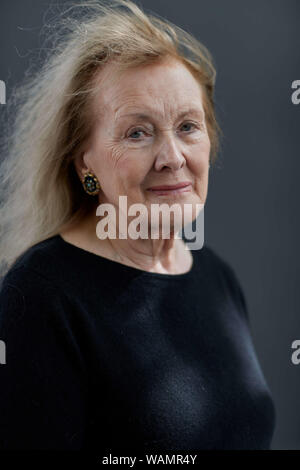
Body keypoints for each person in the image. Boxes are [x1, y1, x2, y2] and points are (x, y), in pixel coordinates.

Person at [0, 0, 276, 450]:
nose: (172, 158)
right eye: (137, 133)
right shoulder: (40, 296)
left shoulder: (217, 278)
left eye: (188, 126)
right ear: (84, 164)